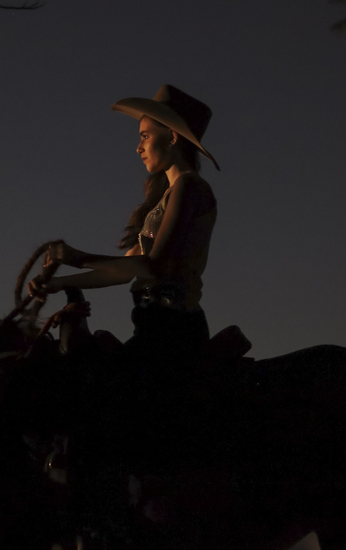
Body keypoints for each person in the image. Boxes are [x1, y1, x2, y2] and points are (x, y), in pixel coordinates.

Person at [29, 83, 219, 395]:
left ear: (171, 137)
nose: (138, 147)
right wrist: (59, 284)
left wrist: (77, 257)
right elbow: (129, 268)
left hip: (173, 333)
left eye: (145, 136)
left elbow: (153, 268)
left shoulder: (190, 187)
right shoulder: (167, 199)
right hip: (154, 328)